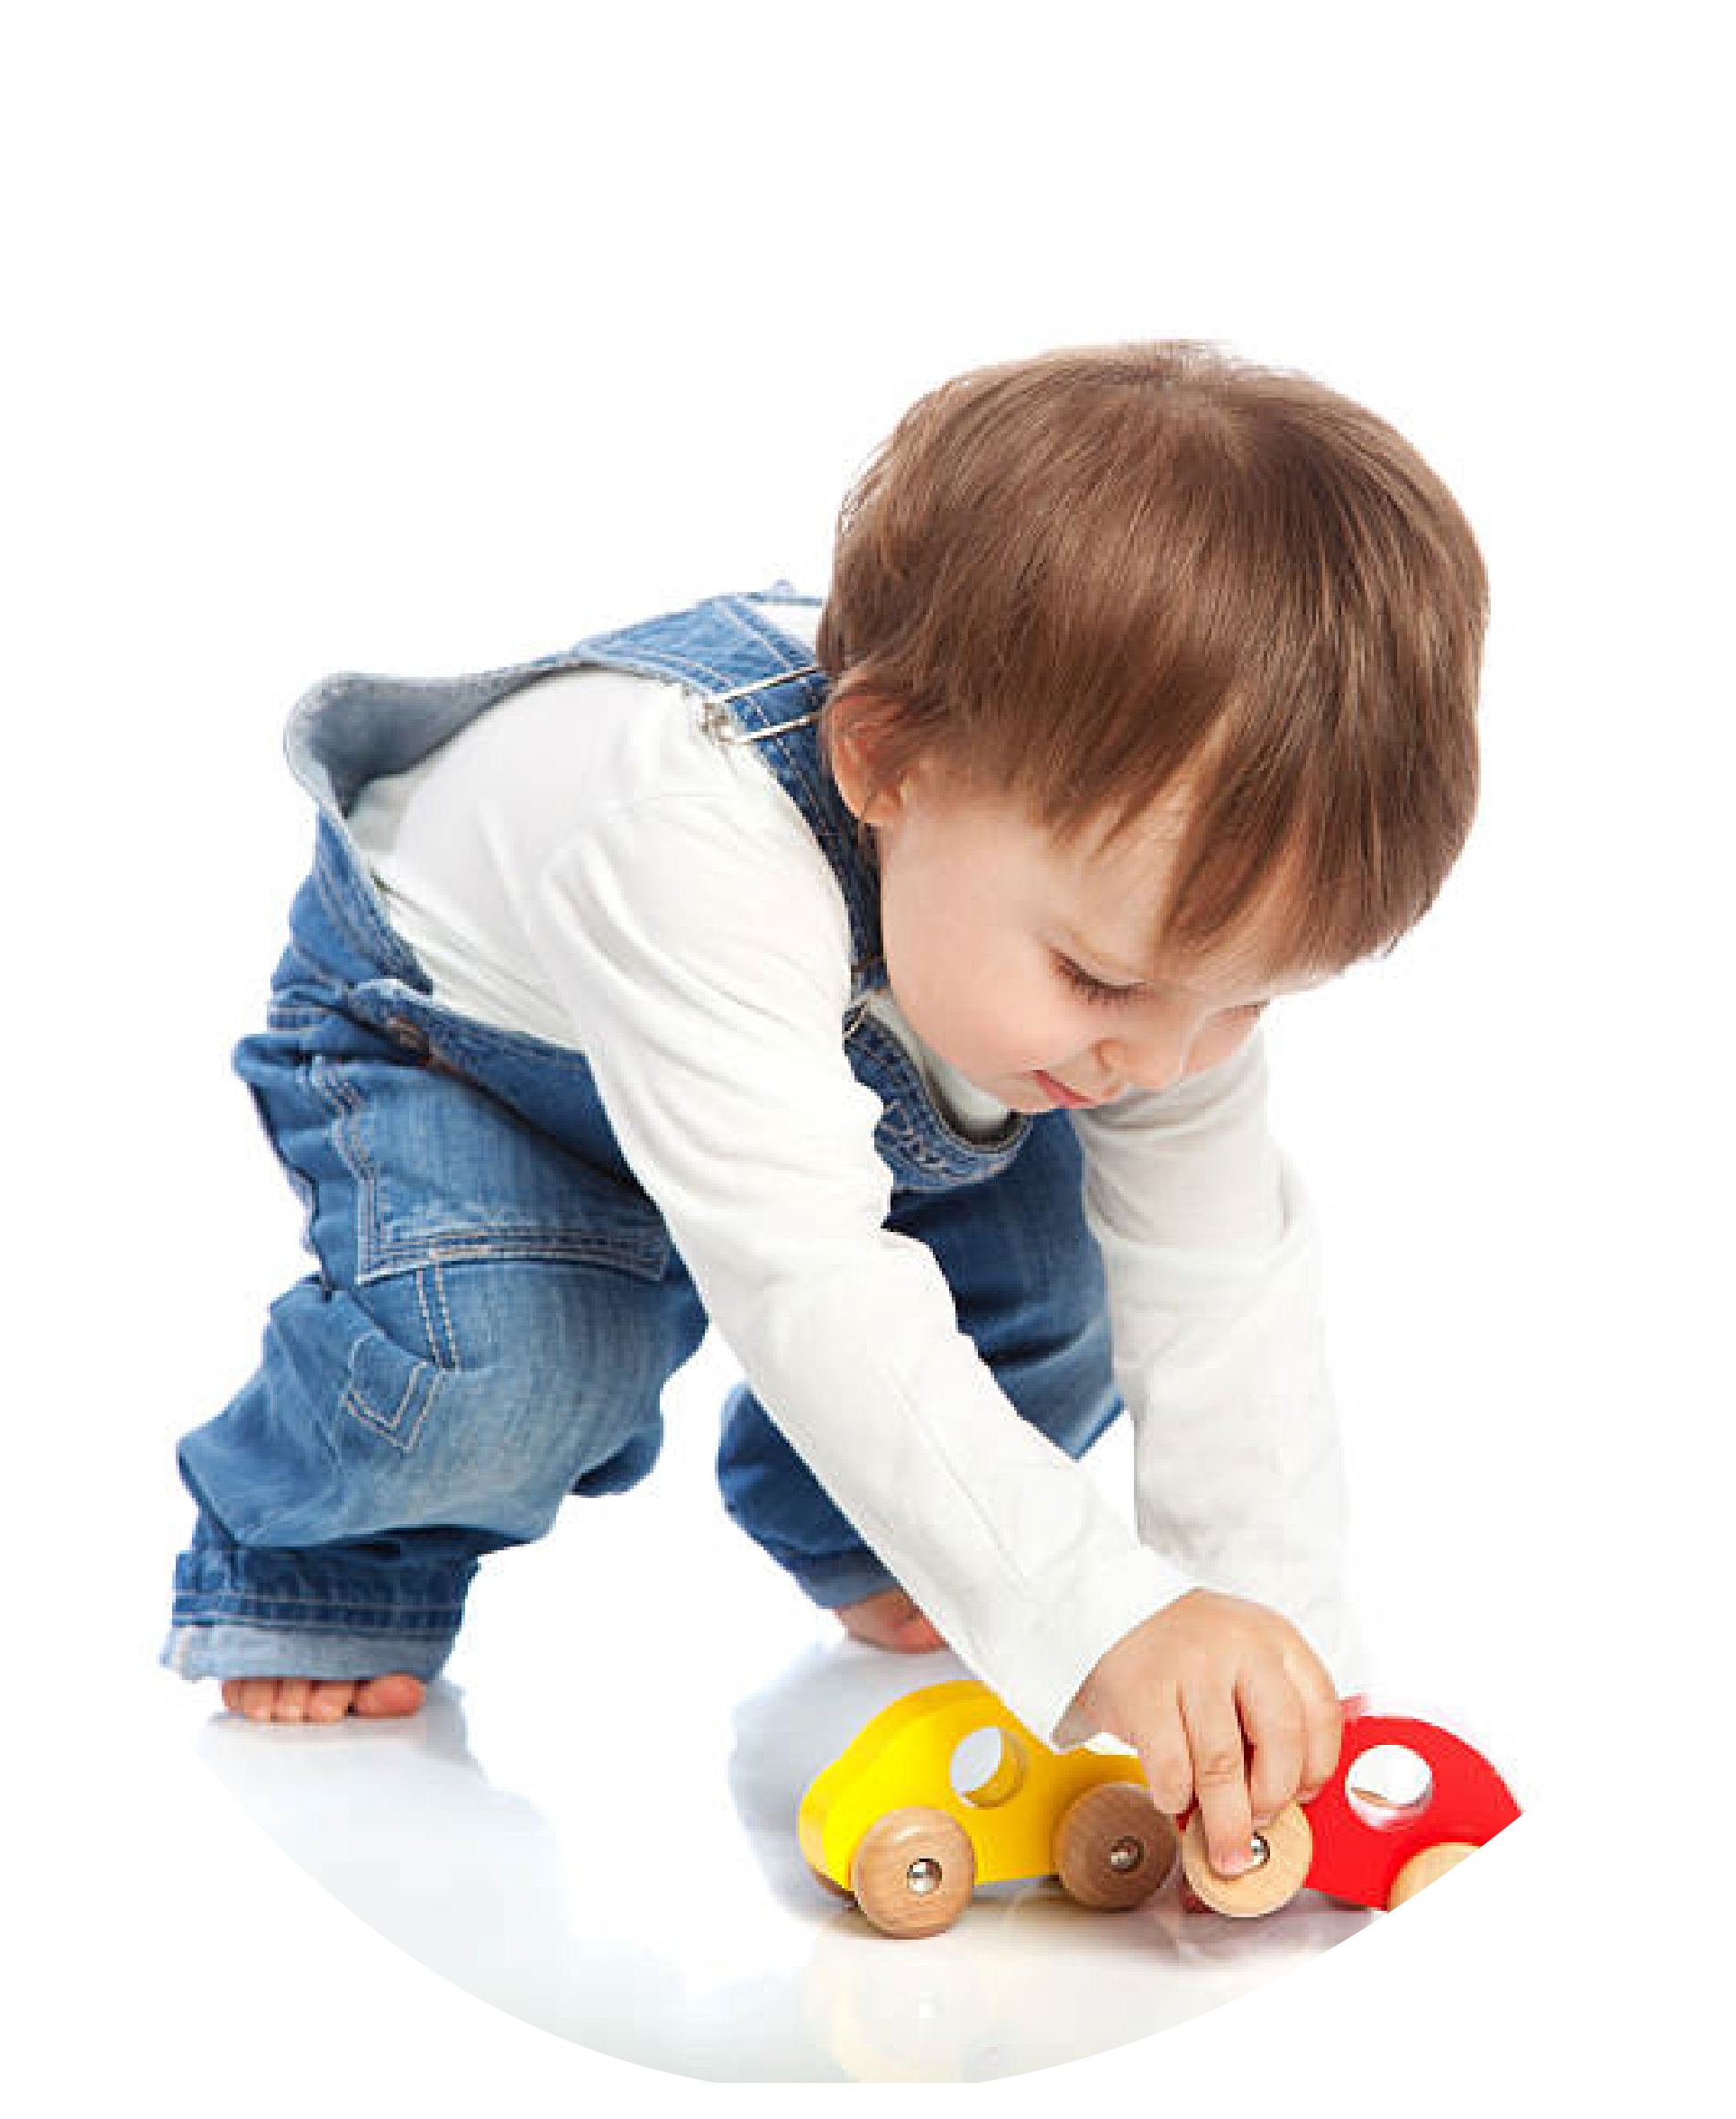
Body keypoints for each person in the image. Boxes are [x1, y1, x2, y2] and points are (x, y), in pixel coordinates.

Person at [162, 341, 1487, 1882]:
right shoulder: (690, 829)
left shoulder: (1139, 966)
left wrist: (1273, 1667)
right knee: (517, 1369)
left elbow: (1214, 1283)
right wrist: (1095, 1611)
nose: (1170, 1058)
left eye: (1248, 996)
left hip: (835, 1061)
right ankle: (328, 1561)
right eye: (1103, 978)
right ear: (884, 764)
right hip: (473, 1049)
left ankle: (864, 1526)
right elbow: (806, 1274)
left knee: (1064, 1292)